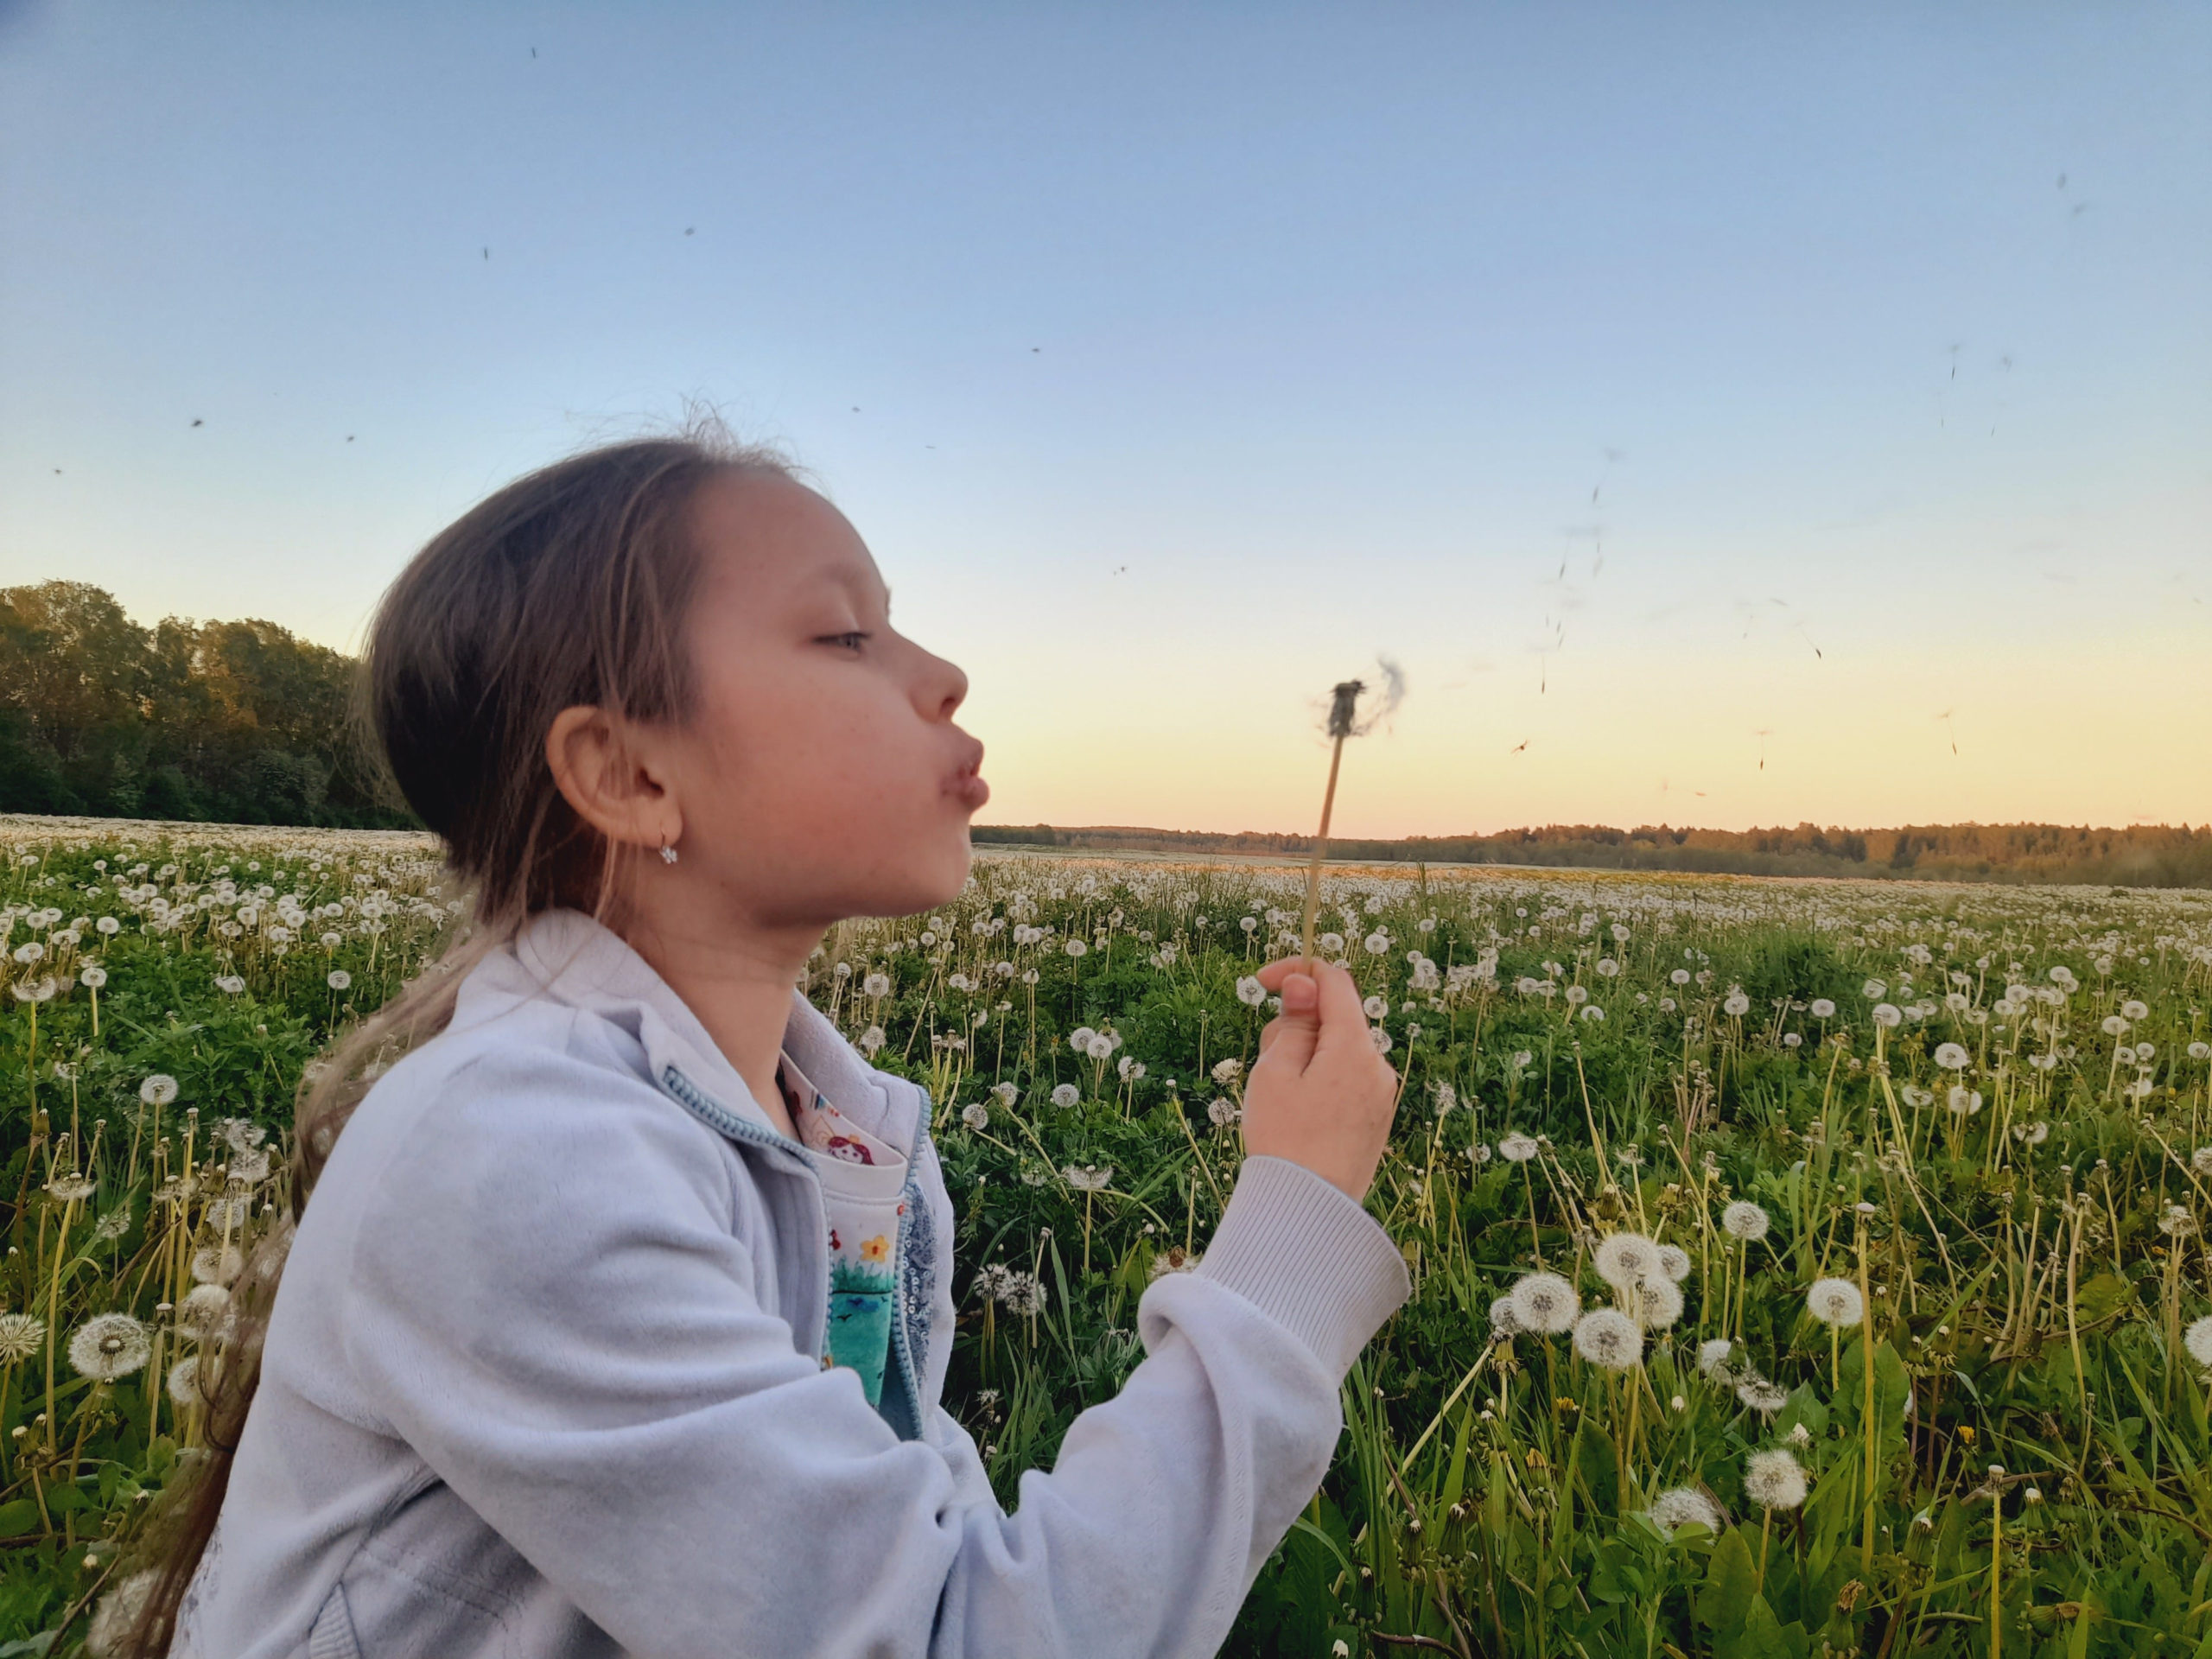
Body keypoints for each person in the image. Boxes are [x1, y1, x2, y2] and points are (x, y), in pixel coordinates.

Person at [122, 432, 1408, 1658]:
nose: (942, 672)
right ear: (628, 778)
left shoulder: (838, 1134)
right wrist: (1290, 1227)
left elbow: (917, 1546)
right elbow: (967, 1631)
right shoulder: (513, 1153)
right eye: (845, 633)